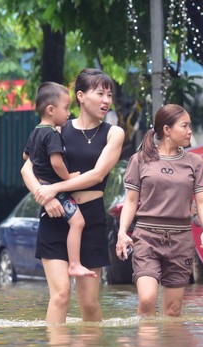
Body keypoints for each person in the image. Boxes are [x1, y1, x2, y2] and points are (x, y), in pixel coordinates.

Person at [21, 68, 125, 325]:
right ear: (80, 96)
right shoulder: (56, 129)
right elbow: (27, 168)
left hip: (90, 218)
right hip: (55, 215)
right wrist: (45, 196)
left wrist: (55, 188)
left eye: (109, 95)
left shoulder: (113, 133)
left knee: (88, 303)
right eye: (99, 93)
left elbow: (97, 174)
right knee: (60, 295)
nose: (106, 100)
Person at [115, 104, 203, 317]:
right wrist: (122, 232)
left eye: (190, 126)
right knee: (147, 300)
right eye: (185, 126)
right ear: (167, 130)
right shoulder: (140, 159)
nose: (190, 131)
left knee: (173, 310)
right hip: (146, 238)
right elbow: (131, 201)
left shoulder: (195, 162)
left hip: (181, 240)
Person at [23, 82, 95, 279]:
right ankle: (74, 264)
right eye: (66, 108)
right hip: (56, 191)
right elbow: (56, 162)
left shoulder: (36, 132)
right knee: (78, 222)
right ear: (50, 109)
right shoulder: (53, 134)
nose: (69, 113)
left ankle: (73, 263)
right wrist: (68, 177)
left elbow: (25, 157)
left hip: (43, 185)